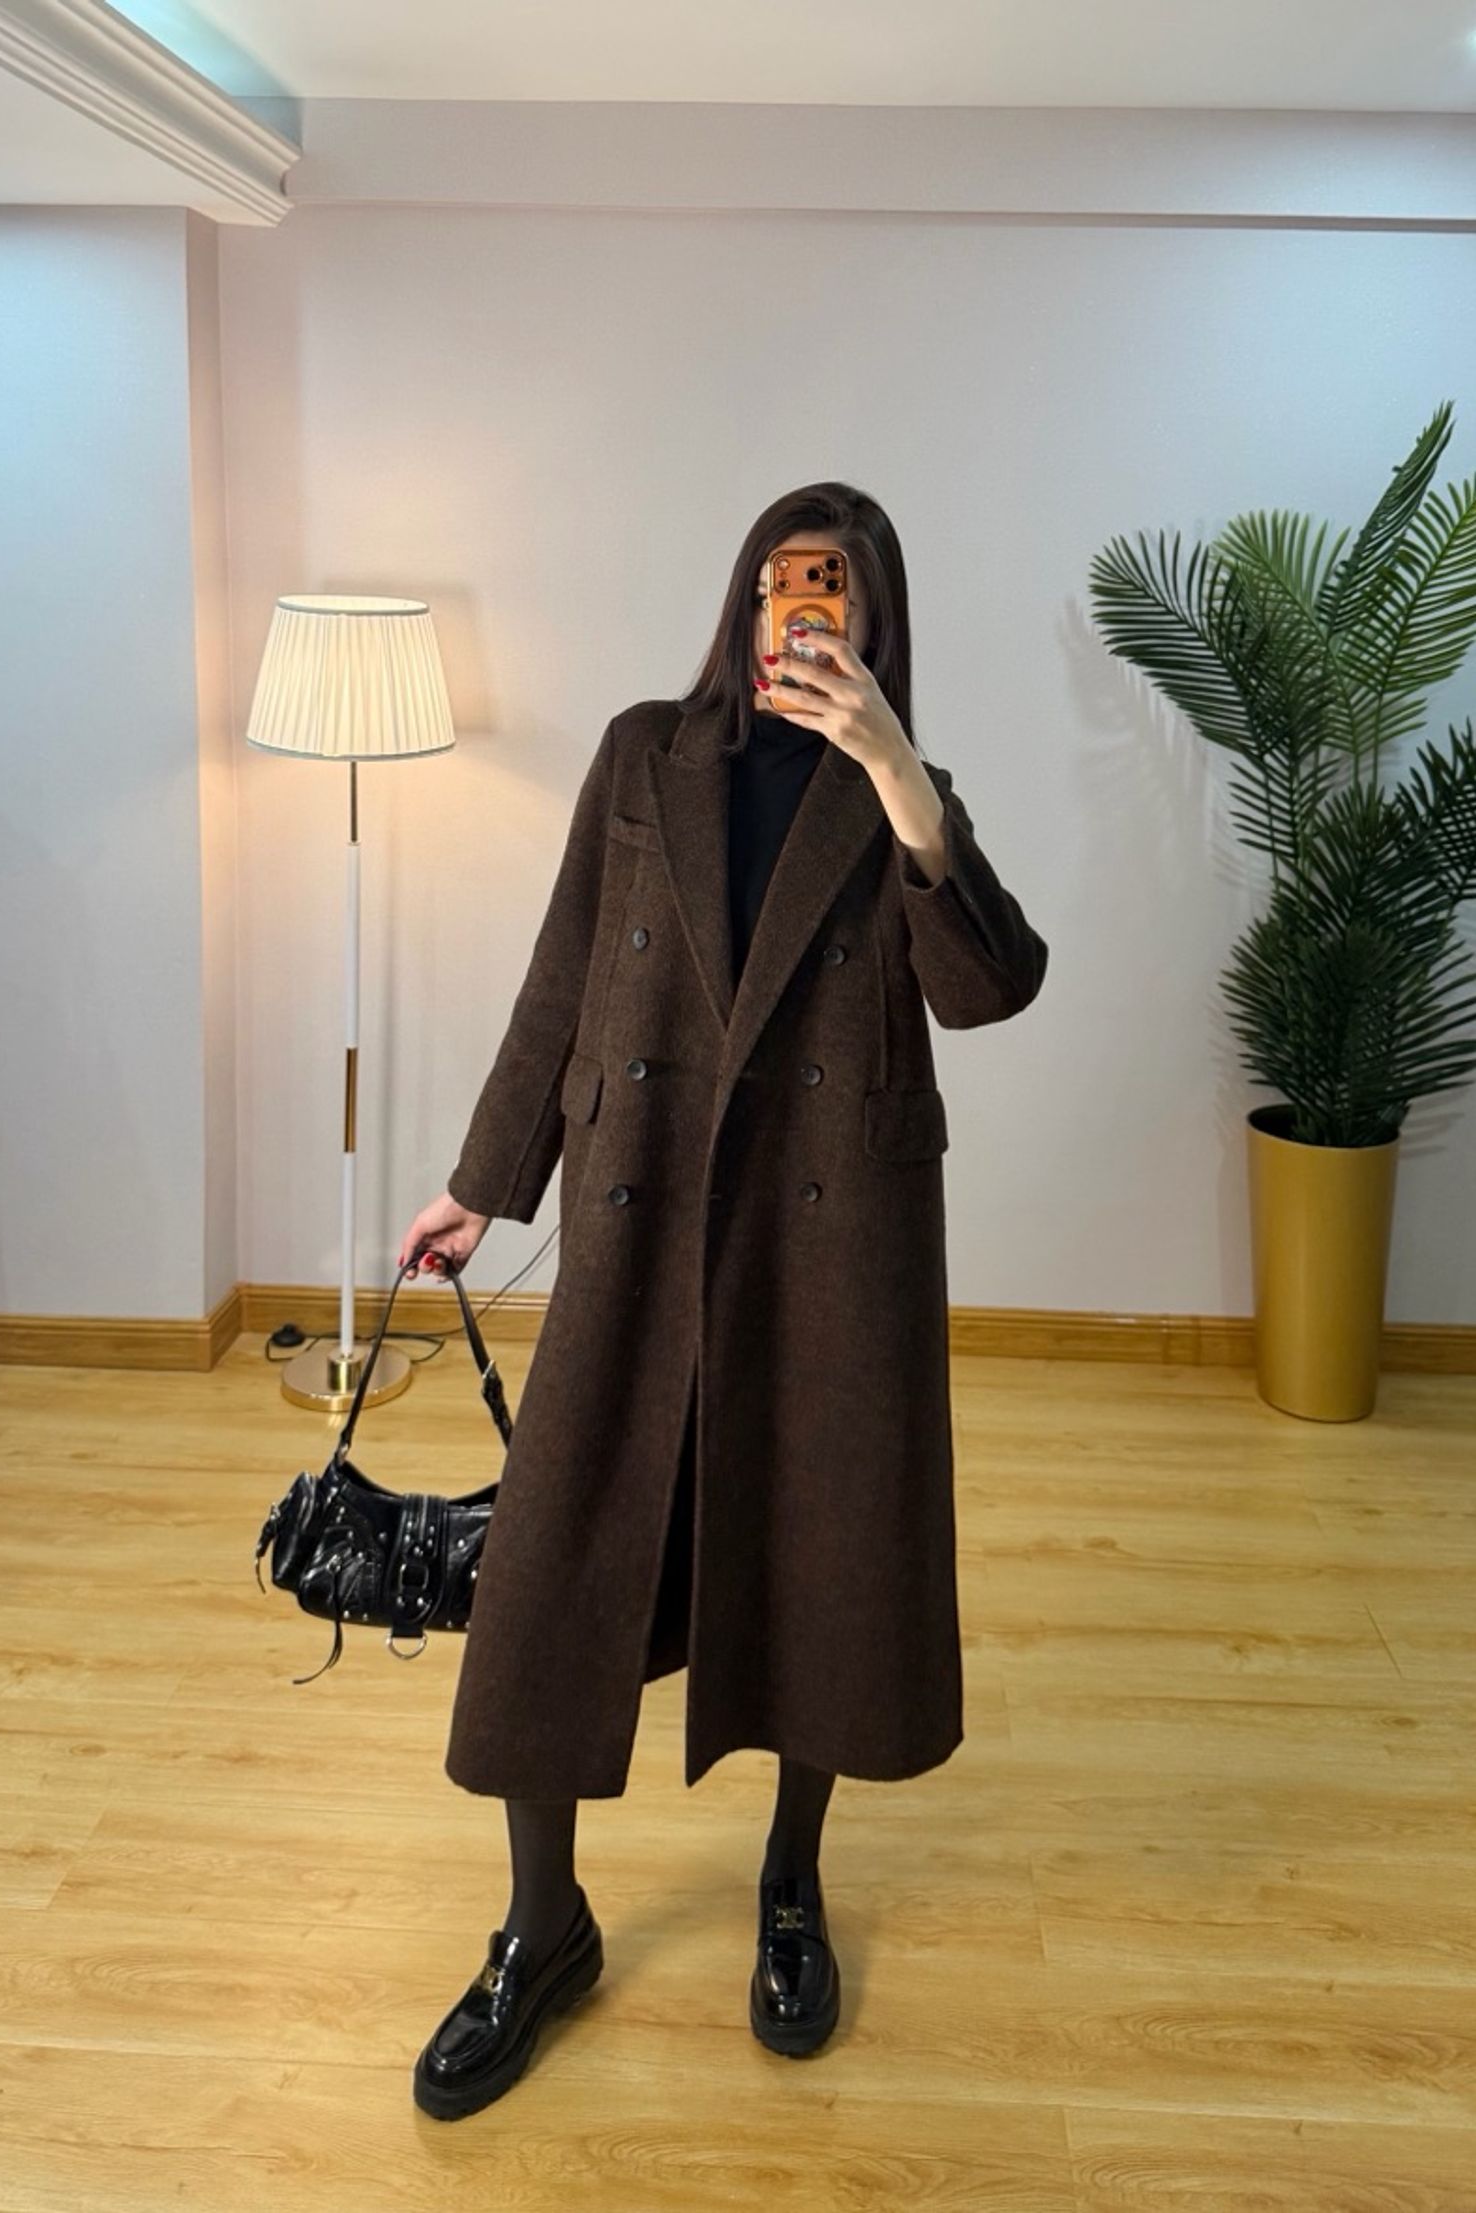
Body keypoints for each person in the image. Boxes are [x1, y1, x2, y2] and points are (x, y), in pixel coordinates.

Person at [399, 484, 1049, 2120]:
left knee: (820, 1553)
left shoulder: (901, 793)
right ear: (745, 603)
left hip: (830, 1232)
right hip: (642, 1199)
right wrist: (486, 1180)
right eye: (777, 583)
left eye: (830, 590)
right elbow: (564, 972)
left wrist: (902, 778)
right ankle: (541, 1926)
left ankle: (790, 1879)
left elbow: (990, 987)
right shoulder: (644, 754)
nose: (798, 610)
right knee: (553, 1559)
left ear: (875, 621)